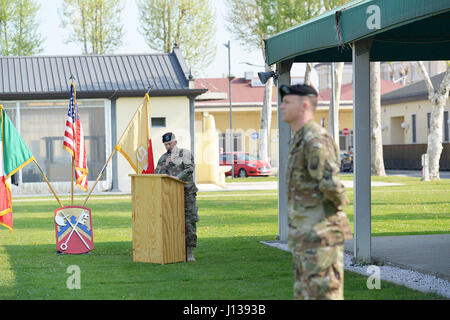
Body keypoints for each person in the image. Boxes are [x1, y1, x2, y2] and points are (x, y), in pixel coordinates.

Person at [279, 83, 352, 300]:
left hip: (321, 237)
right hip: (305, 236)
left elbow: (331, 185)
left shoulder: (315, 140)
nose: (281, 106)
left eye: (286, 102)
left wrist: (335, 210)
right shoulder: (299, 139)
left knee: (324, 295)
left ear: (303, 106)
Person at [155, 132, 199, 262]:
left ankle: (190, 251)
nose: (168, 146)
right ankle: (174, 251)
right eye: (166, 144)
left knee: (189, 221)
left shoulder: (184, 154)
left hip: (187, 193)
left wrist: (177, 178)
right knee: (172, 223)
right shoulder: (163, 158)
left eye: (170, 143)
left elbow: (189, 169)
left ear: (175, 142)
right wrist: (166, 165)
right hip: (170, 195)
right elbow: (156, 174)